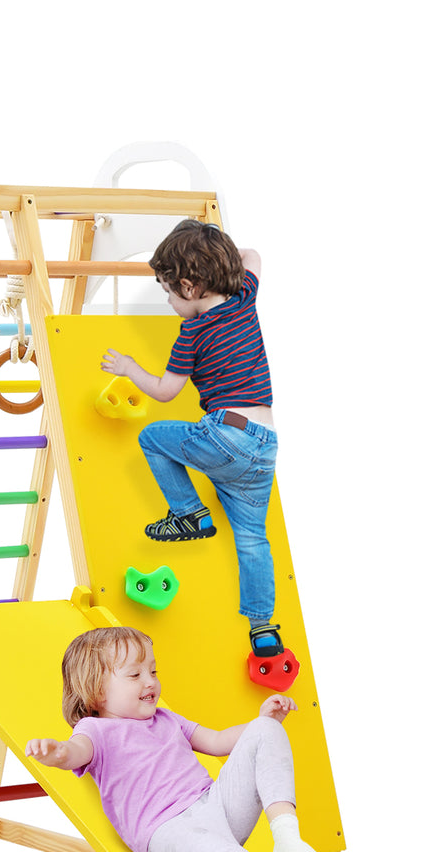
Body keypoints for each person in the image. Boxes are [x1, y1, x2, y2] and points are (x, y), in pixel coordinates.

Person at [24, 627, 370, 852]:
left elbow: (219, 742)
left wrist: (263, 722)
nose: (150, 682)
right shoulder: (97, 729)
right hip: (169, 831)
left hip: (215, 804)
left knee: (265, 730)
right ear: (96, 691)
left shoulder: (166, 718)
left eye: (153, 671)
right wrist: (56, 753)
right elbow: (76, 752)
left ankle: (286, 835)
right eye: (135, 675)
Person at [100, 219, 283, 656]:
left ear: (188, 285)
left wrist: (129, 368)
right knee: (253, 540)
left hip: (226, 435)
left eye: (167, 291)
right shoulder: (243, 296)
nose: (167, 301)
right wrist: (219, 261)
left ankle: (189, 513)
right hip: (265, 445)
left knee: (152, 436)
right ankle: (263, 629)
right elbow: (253, 257)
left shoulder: (192, 333)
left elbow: (165, 392)